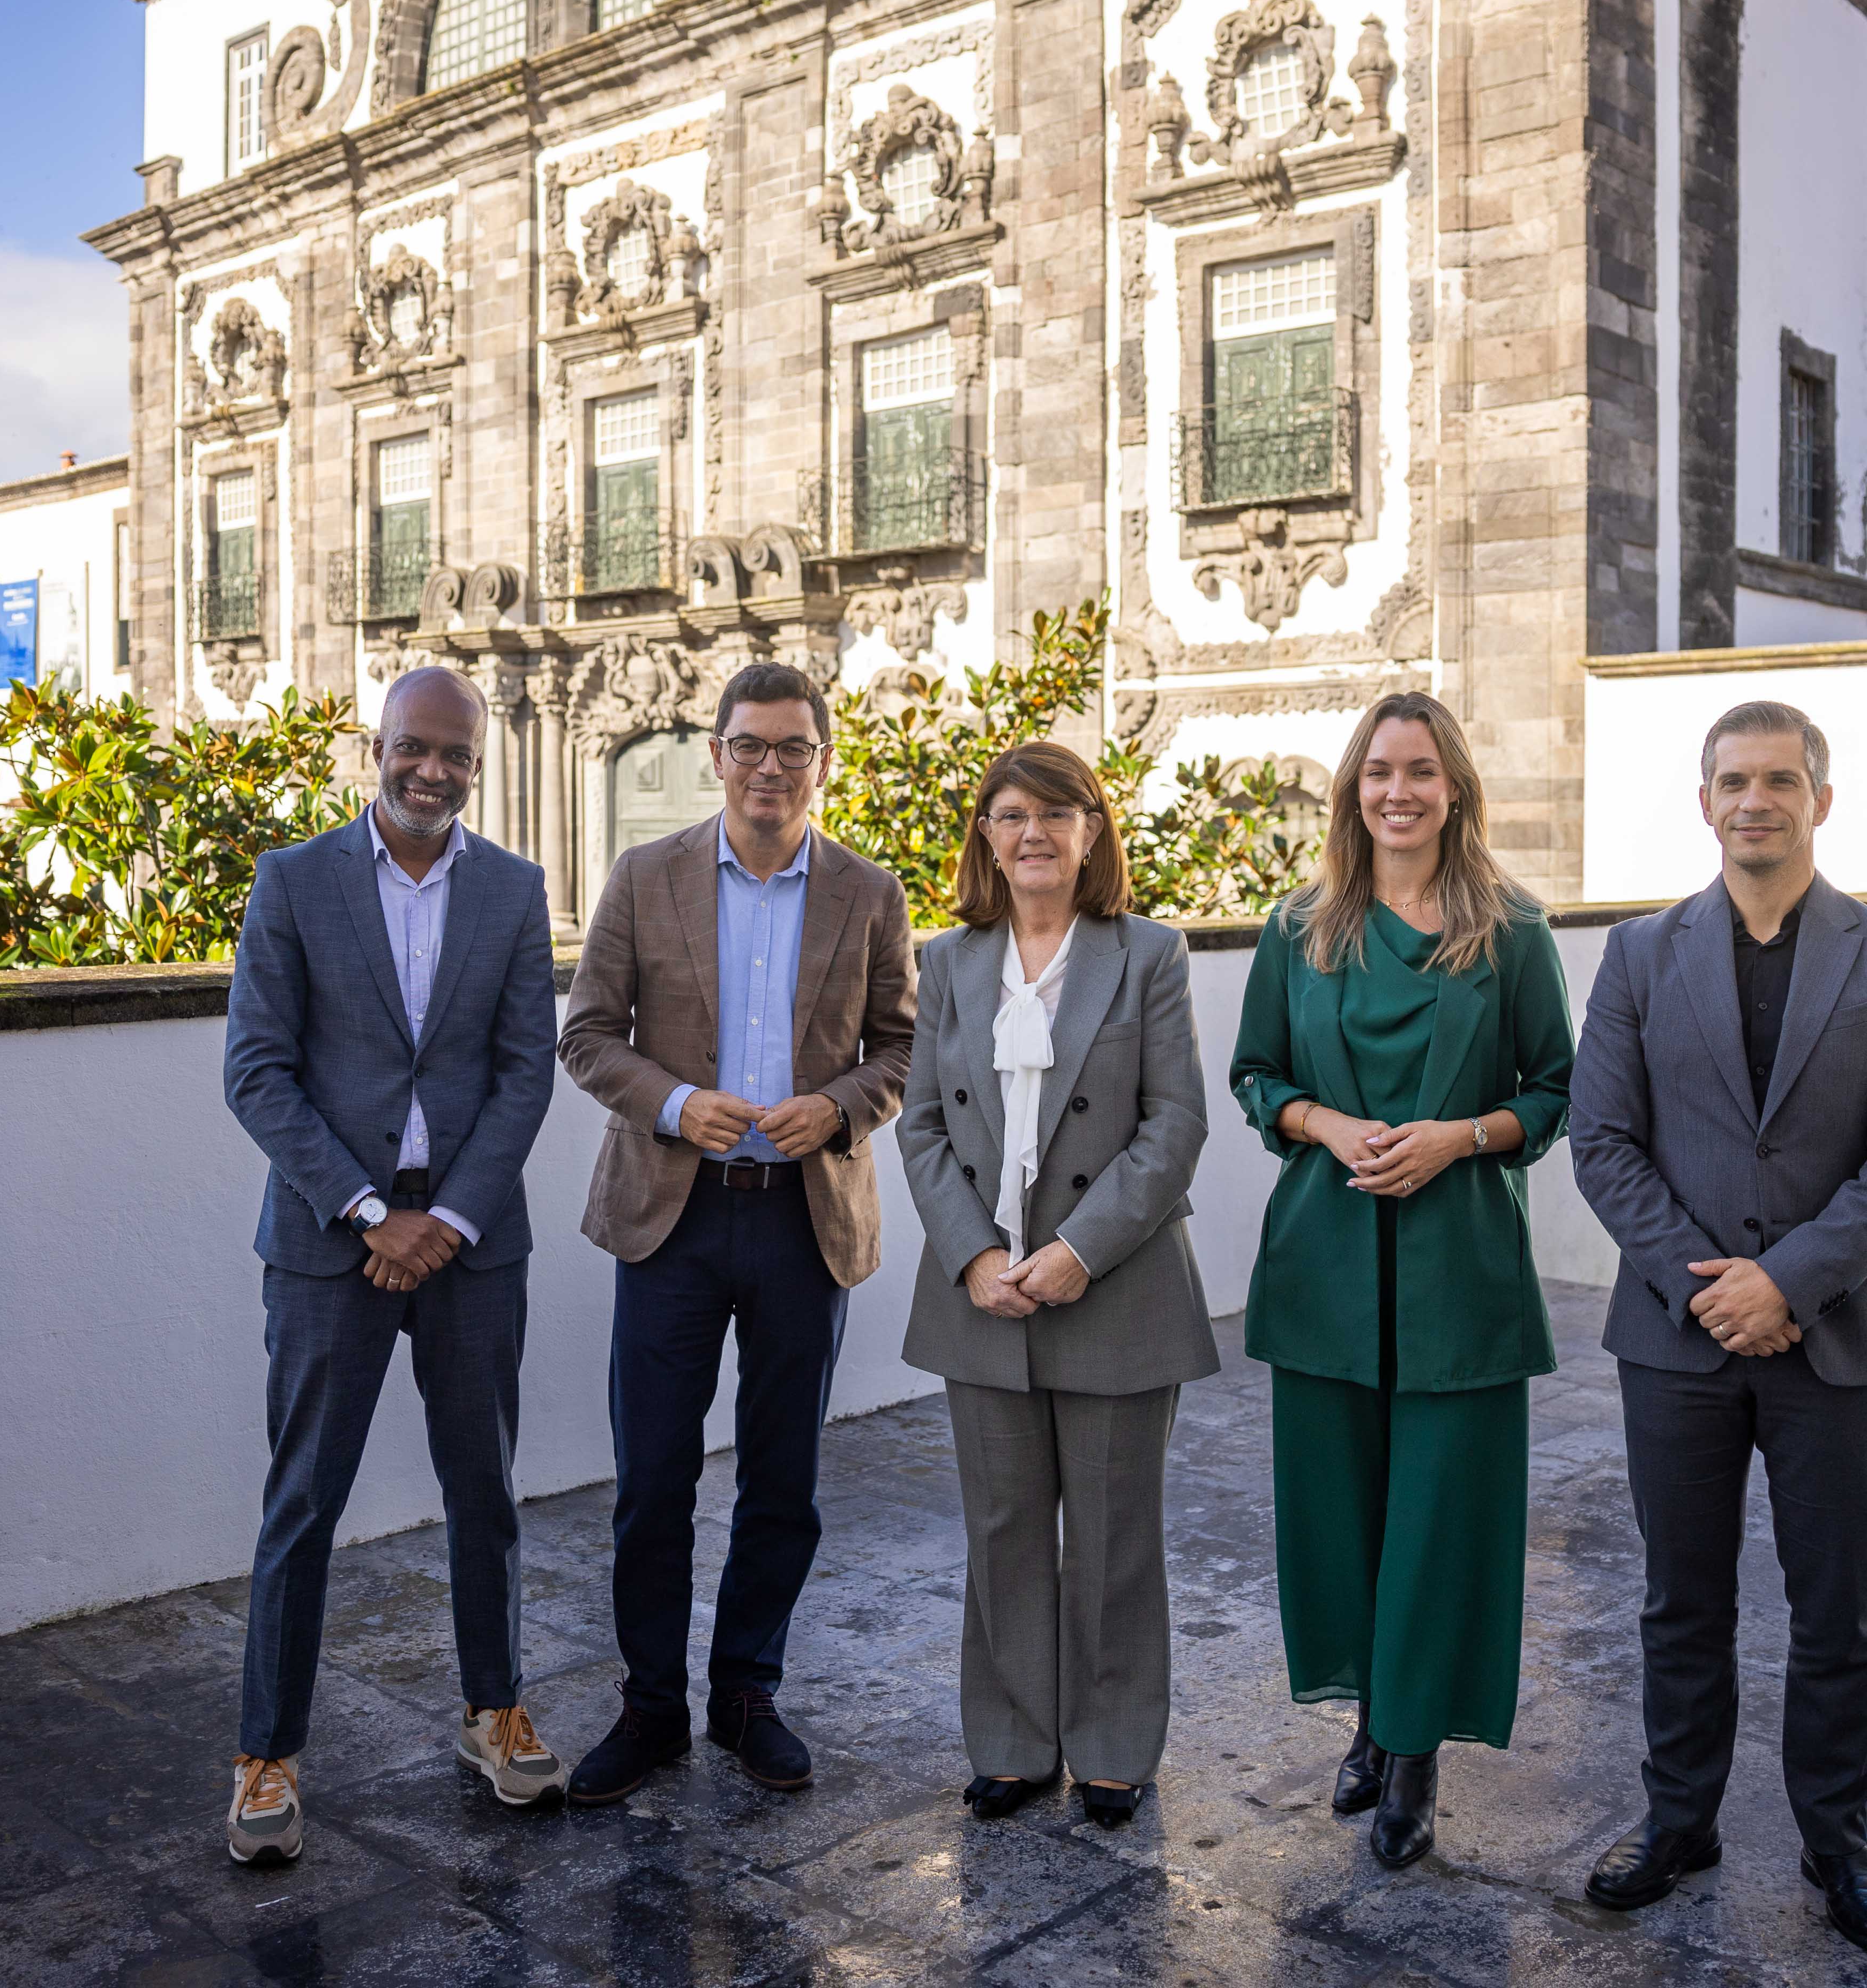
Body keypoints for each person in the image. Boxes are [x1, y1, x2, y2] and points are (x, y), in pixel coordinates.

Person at [1567, 699, 1867, 1957]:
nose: (1756, 800)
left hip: (1836, 1342)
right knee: (1682, 1601)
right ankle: (1678, 1819)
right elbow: (1603, 1141)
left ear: (1819, 800)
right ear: (1705, 800)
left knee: (1839, 1608)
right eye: (1733, 780)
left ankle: (1839, 1840)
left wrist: (1786, 1282)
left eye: (1780, 780)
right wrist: (1710, 1285)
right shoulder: (1638, 955)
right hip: (1676, 1341)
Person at [216, 665, 565, 1864]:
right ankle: (268, 1750)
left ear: (480, 761)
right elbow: (257, 1070)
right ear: (379, 745)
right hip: (331, 1241)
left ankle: (494, 1704)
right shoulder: (295, 879)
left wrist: (451, 1218)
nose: (433, 771)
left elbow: (529, 1070)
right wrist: (369, 1209)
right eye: (414, 747)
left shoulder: (515, 891)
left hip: (472, 1243)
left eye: (455, 755)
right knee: (303, 1500)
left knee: (487, 1490)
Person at [556, 661, 917, 1803]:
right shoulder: (643, 874)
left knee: (784, 1476)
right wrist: (672, 1101)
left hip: (803, 1220)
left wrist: (841, 1107)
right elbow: (584, 1036)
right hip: (673, 1218)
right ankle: (652, 1704)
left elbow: (902, 1047)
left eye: (793, 748)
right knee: (653, 1478)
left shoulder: (870, 890)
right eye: (750, 745)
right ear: (715, 753)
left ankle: (748, 1691)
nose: (771, 767)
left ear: (822, 759)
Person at [1227, 693, 1574, 1871]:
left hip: (1460, 1272)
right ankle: (1373, 1713)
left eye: (1421, 770)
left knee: (1441, 1521)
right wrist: (1325, 1124)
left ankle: (1416, 1750)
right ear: (1352, 789)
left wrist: (1458, 1136)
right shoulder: (1299, 926)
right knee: (1341, 1513)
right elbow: (1256, 1073)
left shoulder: (1513, 930)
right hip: (1325, 1263)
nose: (1399, 791)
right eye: (1379, 771)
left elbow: (1555, 1092)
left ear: (1454, 788)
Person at [896, 742, 1215, 1830]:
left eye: (1057, 812)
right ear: (985, 834)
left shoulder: (1150, 954)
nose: (1033, 831)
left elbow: (1176, 1124)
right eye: (1011, 812)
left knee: (1119, 1530)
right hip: (979, 1291)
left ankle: (1117, 1745)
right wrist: (975, 1252)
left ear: (1093, 832)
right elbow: (923, 1124)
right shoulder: (946, 962)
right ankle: (1015, 1742)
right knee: (1004, 1525)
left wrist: (1079, 1246)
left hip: (1115, 1284)